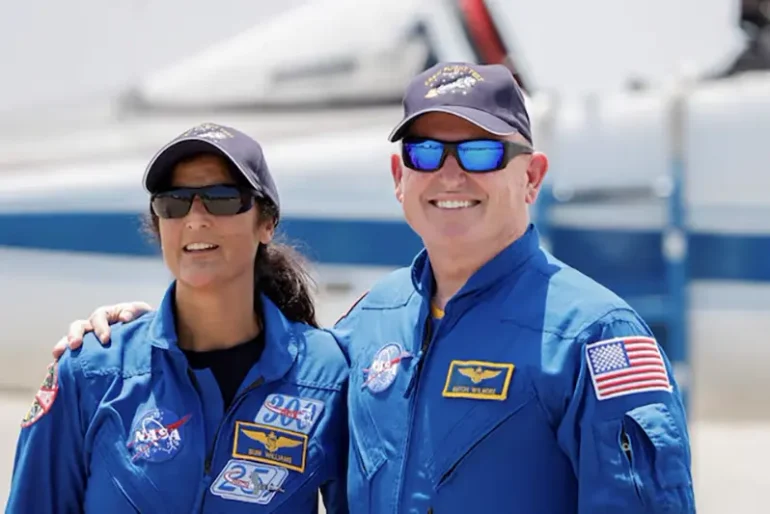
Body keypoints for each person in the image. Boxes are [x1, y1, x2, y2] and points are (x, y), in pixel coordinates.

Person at [52, 62, 695, 513]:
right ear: (398, 176)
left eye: (478, 153)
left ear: (532, 179)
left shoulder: (594, 336)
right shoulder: (367, 328)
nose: (449, 174)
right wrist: (134, 337)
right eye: (424, 154)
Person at [8, 123, 349, 513]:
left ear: (267, 223)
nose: (196, 218)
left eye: (222, 198)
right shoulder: (90, 372)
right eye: (174, 202)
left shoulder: (328, 376)